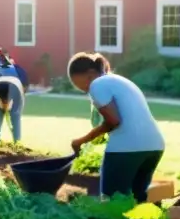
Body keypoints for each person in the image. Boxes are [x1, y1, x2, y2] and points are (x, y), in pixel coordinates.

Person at [67, 52, 165, 201]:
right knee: (138, 202)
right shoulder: (119, 80)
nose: (87, 91)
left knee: (111, 202)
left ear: (91, 74)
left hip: (127, 148)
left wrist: (81, 140)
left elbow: (114, 121)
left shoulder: (97, 84)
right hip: (154, 146)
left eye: (84, 86)